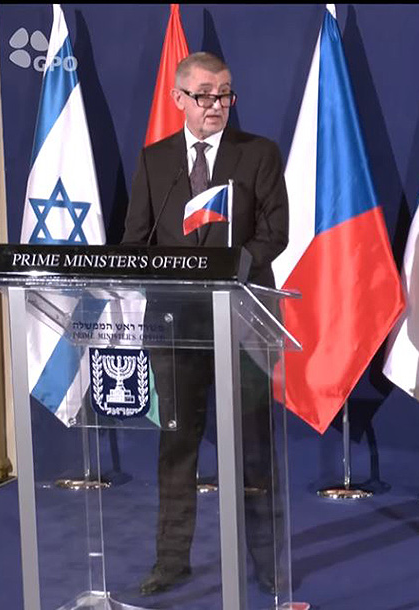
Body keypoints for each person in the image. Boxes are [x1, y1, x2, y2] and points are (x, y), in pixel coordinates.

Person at [121, 51, 289, 596]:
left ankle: (266, 564)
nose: (217, 105)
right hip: (174, 326)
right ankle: (171, 561)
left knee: (252, 449)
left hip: (242, 322)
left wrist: (232, 266)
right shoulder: (155, 161)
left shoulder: (258, 154)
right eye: (205, 95)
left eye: (225, 95)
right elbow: (135, 241)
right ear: (179, 100)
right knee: (177, 447)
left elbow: (275, 232)